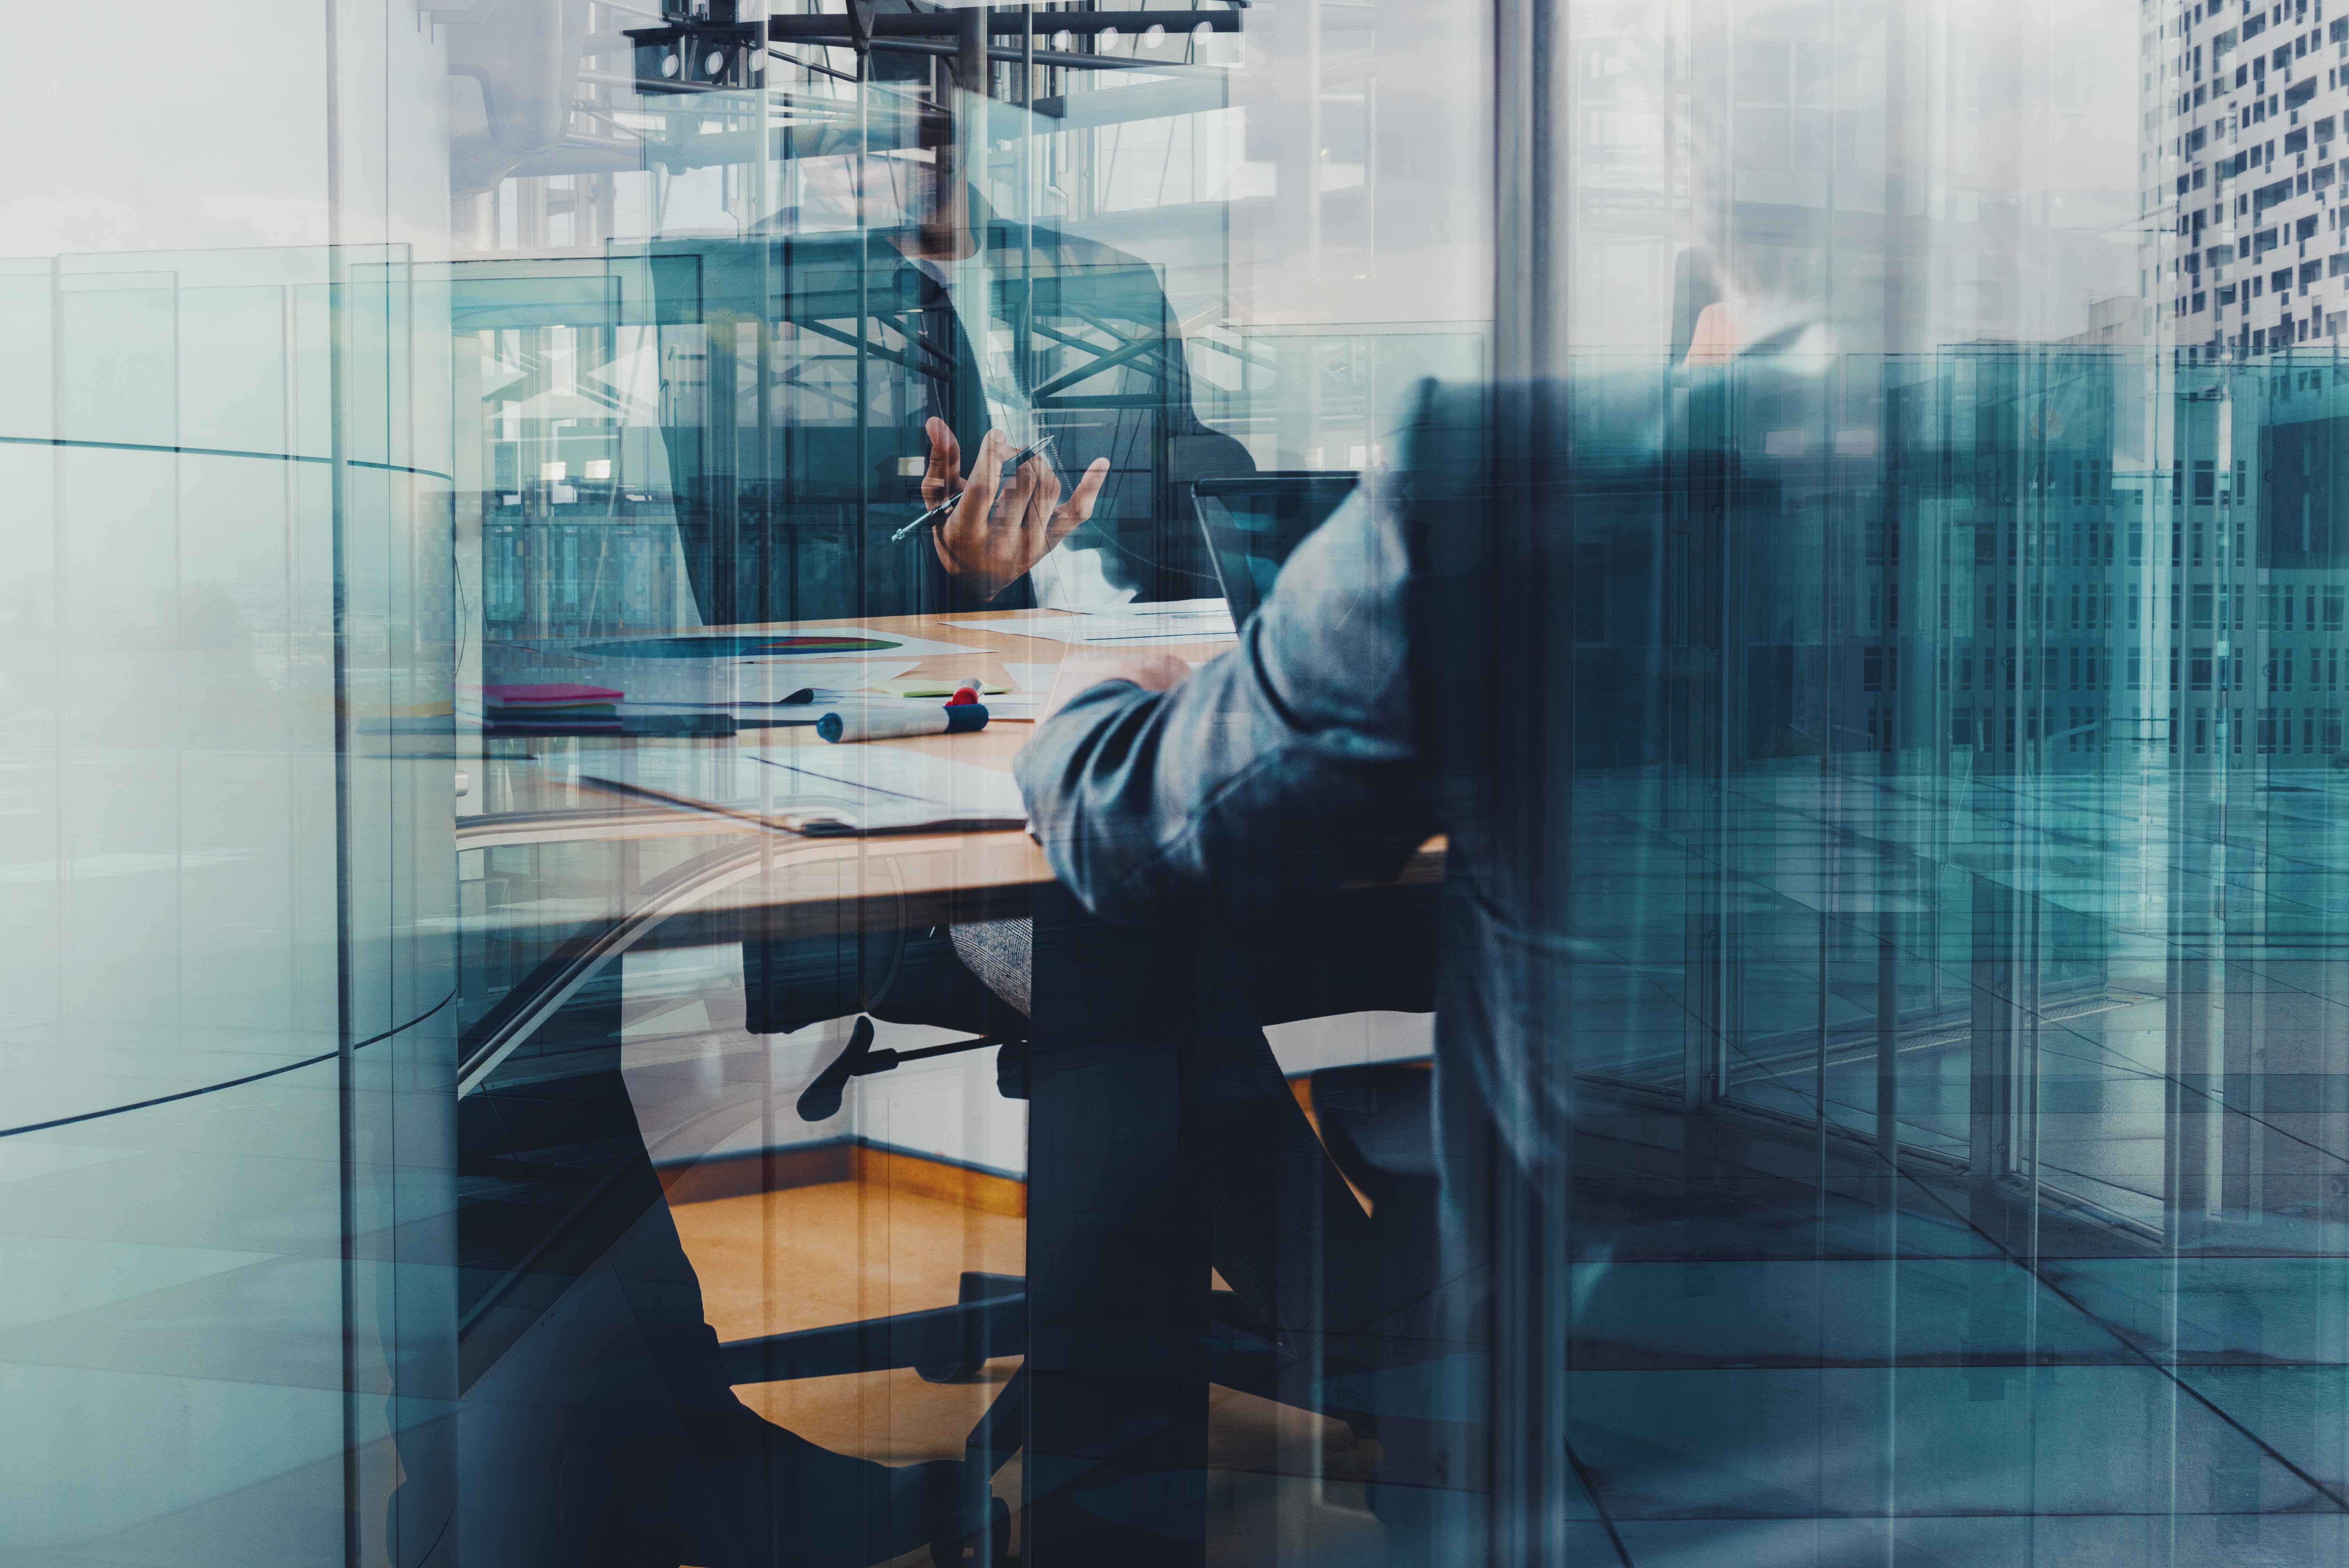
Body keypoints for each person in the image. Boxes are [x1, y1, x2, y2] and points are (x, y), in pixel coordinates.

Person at [1012, 378, 1581, 1558]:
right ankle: (1370, 1336)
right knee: (1166, 949)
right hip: (1752, 1260)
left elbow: (1138, 816)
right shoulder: (1896, 464)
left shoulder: (1481, 476)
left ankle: (1136, 1461)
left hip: (1171, 761)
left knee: (1139, 929)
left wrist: (1083, 710)